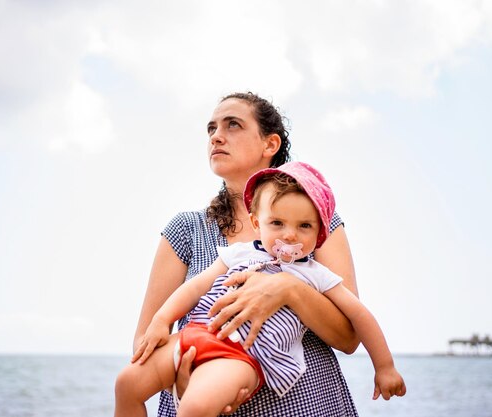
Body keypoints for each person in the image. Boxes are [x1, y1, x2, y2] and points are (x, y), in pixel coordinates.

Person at [114, 162, 406, 417]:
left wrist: (384, 366)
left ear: (319, 234)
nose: (290, 234)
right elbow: (193, 289)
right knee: (126, 385)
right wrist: (162, 320)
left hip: (244, 356)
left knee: (195, 409)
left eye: (304, 226)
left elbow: (359, 315)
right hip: (198, 333)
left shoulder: (316, 274)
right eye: (277, 223)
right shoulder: (239, 253)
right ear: (257, 223)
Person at [133, 92, 361, 416]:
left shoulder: (319, 223)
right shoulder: (185, 230)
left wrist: (288, 289)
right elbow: (144, 340)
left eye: (233, 125)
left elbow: (350, 336)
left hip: (305, 406)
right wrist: (181, 384)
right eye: (211, 128)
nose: (217, 136)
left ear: (270, 144)